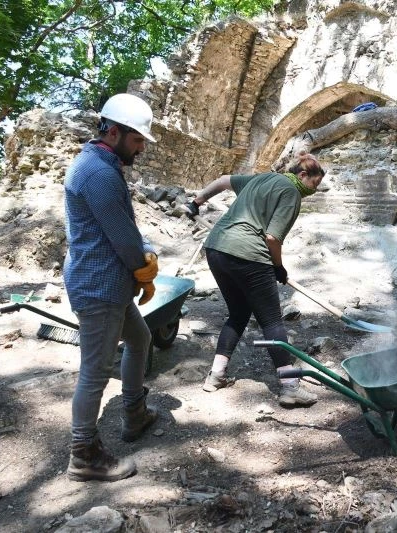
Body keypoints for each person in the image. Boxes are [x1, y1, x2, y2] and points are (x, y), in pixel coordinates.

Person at [63, 93, 160, 481]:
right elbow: (121, 236)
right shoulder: (99, 173)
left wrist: (143, 254)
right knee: (95, 371)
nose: (141, 148)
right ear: (115, 132)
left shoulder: (100, 165)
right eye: (137, 140)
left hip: (109, 282)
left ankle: (134, 414)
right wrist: (143, 268)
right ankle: (83, 453)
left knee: (140, 340)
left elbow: (122, 224)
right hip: (100, 285)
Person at [184, 154, 325, 407]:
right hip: (247, 253)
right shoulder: (291, 192)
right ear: (303, 176)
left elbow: (225, 180)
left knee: (238, 314)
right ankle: (290, 386)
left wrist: (197, 201)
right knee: (271, 320)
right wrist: (278, 267)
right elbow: (272, 238)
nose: (313, 191)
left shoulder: (264, 178)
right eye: (314, 185)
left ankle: (216, 376)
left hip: (216, 248)